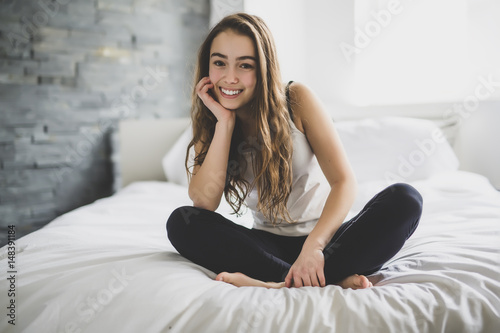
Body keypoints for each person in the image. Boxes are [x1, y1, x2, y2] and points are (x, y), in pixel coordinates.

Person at [166, 13, 423, 289]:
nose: (230, 78)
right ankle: (323, 280)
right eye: (220, 63)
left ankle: (274, 282)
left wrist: (314, 248)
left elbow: (343, 182)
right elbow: (204, 203)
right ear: (208, 66)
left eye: (245, 65)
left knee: (406, 199)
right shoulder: (212, 119)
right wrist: (225, 124)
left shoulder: (296, 99)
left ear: (263, 68)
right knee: (182, 222)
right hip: (265, 246)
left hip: (328, 241)